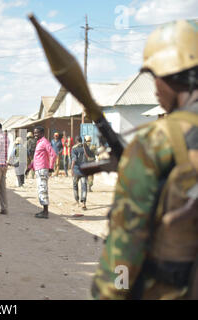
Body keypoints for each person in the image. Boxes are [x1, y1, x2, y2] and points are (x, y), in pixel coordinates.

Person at [92, 20, 198, 300]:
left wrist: (112, 293)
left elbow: (125, 245)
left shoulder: (155, 140)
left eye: (156, 78)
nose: (155, 88)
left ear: (169, 76)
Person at [25, 126, 57, 219]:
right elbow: (36, 158)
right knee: (40, 189)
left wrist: (51, 167)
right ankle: (44, 210)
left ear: (42, 133)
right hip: (38, 169)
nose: (35, 135)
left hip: (43, 169)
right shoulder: (39, 143)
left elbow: (53, 154)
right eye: (34, 133)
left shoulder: (44, 142)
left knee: (43, 189)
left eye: (37, 133)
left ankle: (45, 212)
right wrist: (29, 168)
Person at [71, 136, 88, 212]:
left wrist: (71, 169)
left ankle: (77, 201)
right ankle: (84, 203)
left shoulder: (74, 149)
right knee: (84, 186)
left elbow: (74, 160)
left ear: (76, 140)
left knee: (75, 185)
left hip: (77, 170)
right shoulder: (85, 148)